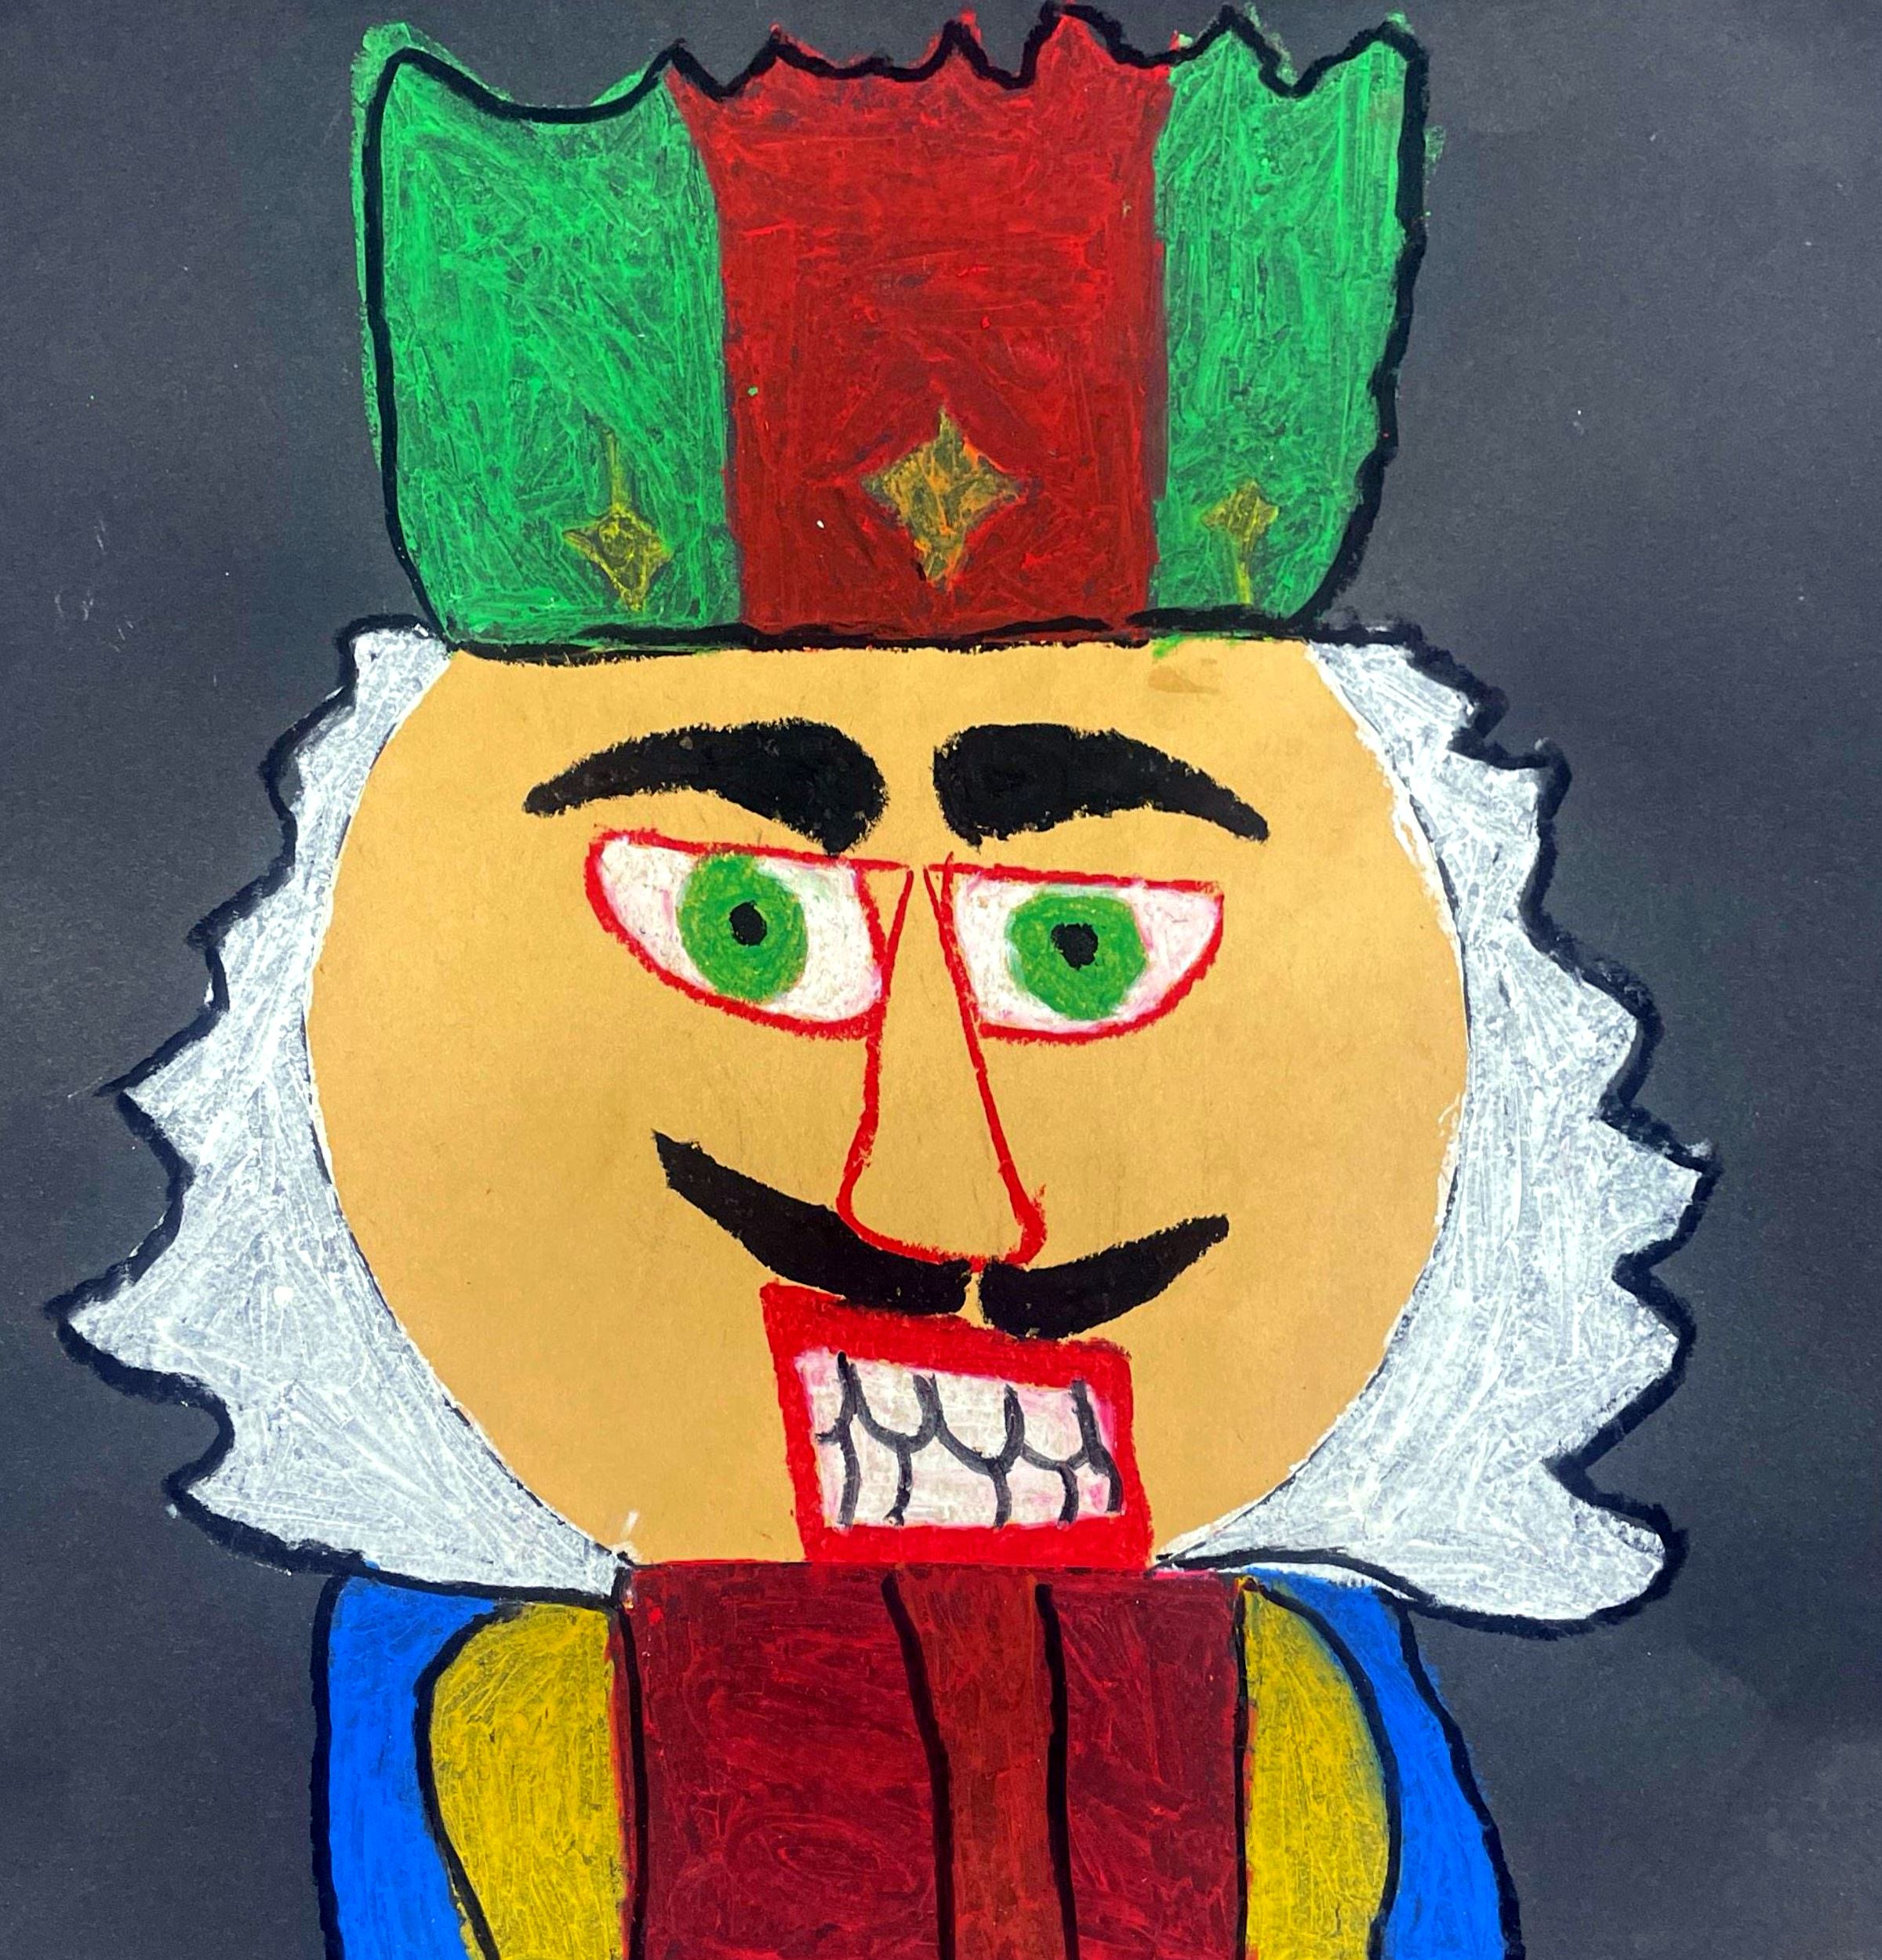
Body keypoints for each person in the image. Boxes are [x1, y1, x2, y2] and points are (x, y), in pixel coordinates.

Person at [60, 13, 1702, 1958]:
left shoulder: (1317, 1739)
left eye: (1082, 947)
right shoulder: (472, 1734)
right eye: (744, 929)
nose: (944, 1203)